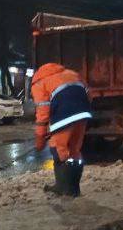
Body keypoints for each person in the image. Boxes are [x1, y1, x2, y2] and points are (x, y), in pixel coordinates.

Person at [30, 62, 92, 197]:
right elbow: (88, 94)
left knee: (59, 150)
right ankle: (74, 188)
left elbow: (43, 111)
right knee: (75, 150)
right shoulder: (72, 74)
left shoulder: (39, 83)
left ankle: (63, 188)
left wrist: (40, 138)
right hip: (83, 113)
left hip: (64, 115)